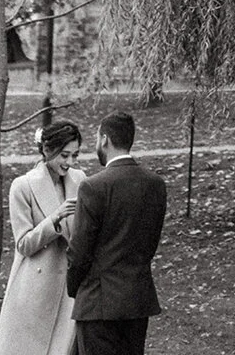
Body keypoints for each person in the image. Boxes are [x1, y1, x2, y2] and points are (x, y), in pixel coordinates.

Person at [66, 111, 168, 355]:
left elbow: (79, 251)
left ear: (104, 139)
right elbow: (150, 243)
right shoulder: (155, 183)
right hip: (137, 300)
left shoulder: (93, 186)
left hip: (98, 302)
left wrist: (75, 288)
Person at [0, 120, 85, 355]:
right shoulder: (22, 186)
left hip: (68, 287)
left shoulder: (80, 180)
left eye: (75, 155)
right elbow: (23, 244)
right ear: (47, 150)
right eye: (64, 155)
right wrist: (55, 218)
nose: (70, 162)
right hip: (34, 287)